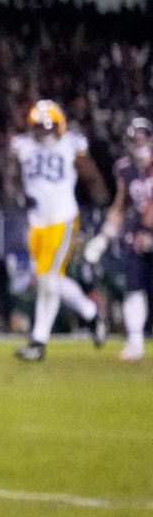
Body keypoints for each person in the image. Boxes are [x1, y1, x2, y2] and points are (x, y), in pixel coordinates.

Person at [8, 99, 105, 361]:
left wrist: (99, 201)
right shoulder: (23, 146)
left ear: (59, 126)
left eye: (48, 126)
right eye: (38, 127)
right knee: (50, 279)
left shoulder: (71, 144)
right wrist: (18, 196)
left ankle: (38, 342)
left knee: (47, 280)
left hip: (62, 219)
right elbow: (13, 180)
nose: (42, 132)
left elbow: (92, 176)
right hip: (36, 222)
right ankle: (92, 314)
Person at [97, 115, 153, 361]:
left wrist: (149, 232)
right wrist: (104, 236)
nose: (138, 143)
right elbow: (120, 204)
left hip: (147, 230)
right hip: (137, 233)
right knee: (133, 288)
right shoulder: (125, 169)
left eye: (142, 138)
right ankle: (136, 343)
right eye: (134, 139)